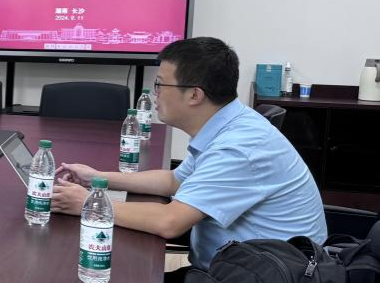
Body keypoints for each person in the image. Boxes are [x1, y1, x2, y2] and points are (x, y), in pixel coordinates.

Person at [51, 36, 326, 268]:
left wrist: (88, 204)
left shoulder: (238, 148)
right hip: (250, 273)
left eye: (160, 84)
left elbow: (170, 221)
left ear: (195, 95)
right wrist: (98, 177)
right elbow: (174, 181)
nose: (155, 93)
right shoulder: (229, 124)